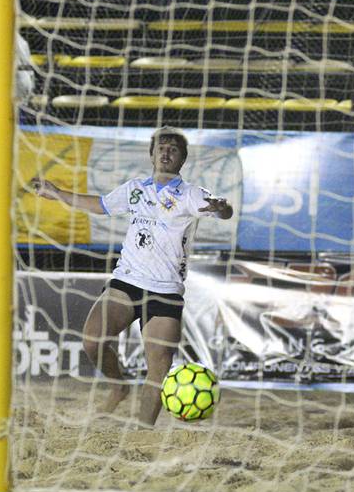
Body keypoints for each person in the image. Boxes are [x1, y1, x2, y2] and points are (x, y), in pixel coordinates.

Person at [29, 127, 232, 425]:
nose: (165, 152)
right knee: (92, 342)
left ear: (182, 159)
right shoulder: (136, 188)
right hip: (127, 281)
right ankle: (118, 386)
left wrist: (222, 207)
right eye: (161, 147)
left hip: (166, 291)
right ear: (151, 154)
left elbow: (222, 211)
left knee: (158, 370)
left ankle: (142, 432)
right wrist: (57, 193)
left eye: (173, 149)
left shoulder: (190, 194)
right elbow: (99, 205)